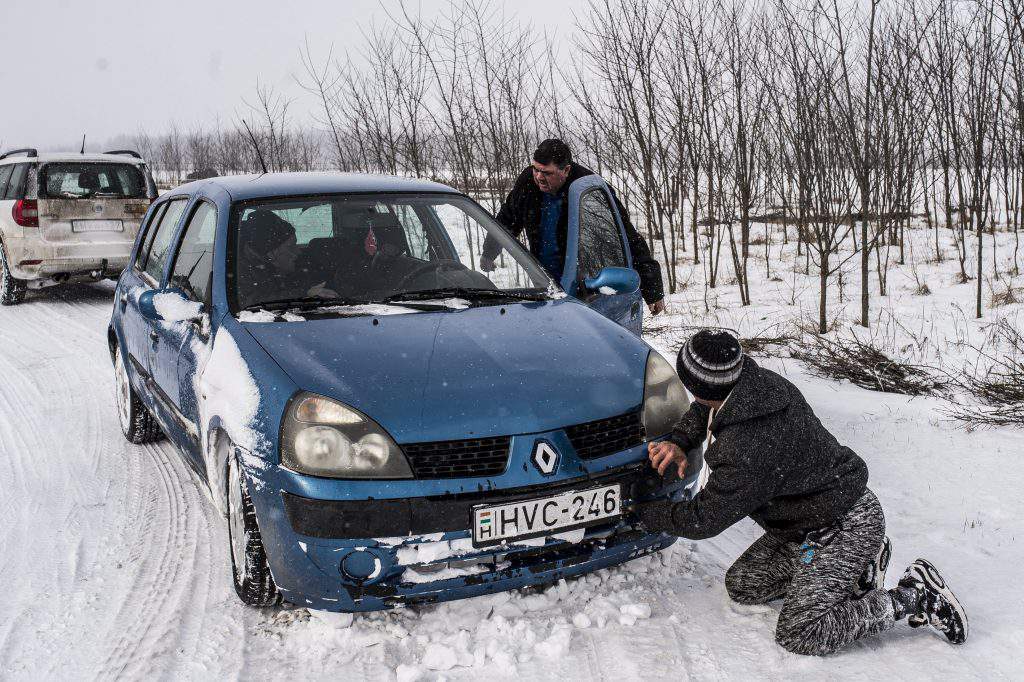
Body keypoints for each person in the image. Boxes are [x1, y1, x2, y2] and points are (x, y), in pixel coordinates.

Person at [631, 329, 968, 656]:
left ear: (696, 386)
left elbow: (703, 519)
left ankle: (914, 596)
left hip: (847, 524)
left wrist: (640, 510)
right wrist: (679, 440)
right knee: (745, 584)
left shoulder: (745, 449)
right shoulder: (757, 386)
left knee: (801, 633)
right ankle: (855, 575)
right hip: (807, 524)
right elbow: (705, 405)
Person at [481, 139, 666, 315]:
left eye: (547, 173)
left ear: (566, 170)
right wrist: (489, 252)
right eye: (536, 169)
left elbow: (625, 234)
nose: (538, 177)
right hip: (543, 283)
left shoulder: (588, 189)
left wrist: (653, 288)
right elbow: (506, 220)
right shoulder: (528, 183)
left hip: (582, 287)